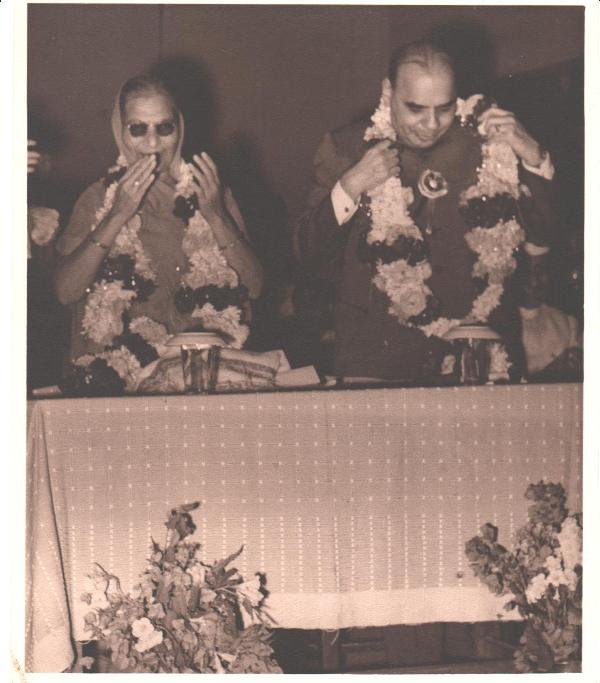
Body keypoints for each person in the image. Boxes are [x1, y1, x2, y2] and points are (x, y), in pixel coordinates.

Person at [295, 40, 558, 382]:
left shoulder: (489, 142)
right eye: (415, 108)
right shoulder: (345, 147)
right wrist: (350, 185)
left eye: (444, 108)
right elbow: (307, 253)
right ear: (388, 91)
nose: (431, 124)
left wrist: (534, 157)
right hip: (378, 362)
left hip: (483, 356)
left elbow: (545, 237)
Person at [55, 75, 263, 393]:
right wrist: (117, 215)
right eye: (138, 129)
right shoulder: (97, 198)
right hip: (119, 384)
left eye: (164, 128)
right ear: (120, 130)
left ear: (180, 128)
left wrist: (216, 215)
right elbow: (65, 292)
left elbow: (256, 287)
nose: (152, 144)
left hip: (201, 379)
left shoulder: (210, 192)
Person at [515, 253, 582, 381]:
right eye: (528, 272)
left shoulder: (565, 322)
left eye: (541, 271)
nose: (534, 280)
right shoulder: (503, 321)